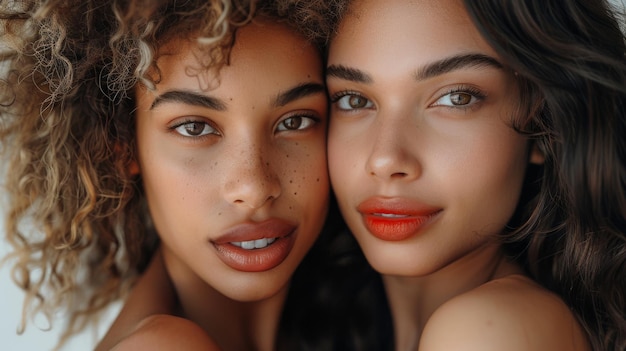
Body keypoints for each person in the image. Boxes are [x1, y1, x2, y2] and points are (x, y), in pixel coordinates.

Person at [0, 0, 390, 350]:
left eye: (295, 121)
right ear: (122, 146)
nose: (253, 188)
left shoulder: (351, 320)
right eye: (195, 128)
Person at [324, 0, 626, 350]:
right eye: (353, 101)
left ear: (544, 121)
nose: (386, 159)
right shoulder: (330, 322)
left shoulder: (489, 332)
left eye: (457, 98)